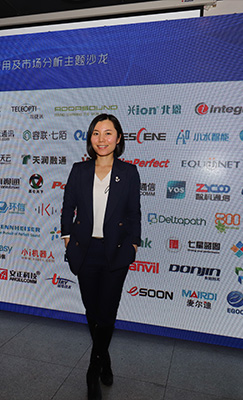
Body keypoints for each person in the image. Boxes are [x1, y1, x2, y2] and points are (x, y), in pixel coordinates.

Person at [61, 113, 141, 400]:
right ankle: (104, 359)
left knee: (107, 312)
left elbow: (133, 213)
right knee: (92, 311)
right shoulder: (79, 170)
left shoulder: (129, 172)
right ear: (90, 138)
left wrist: (133, 245)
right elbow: (67, 206)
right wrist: (67, 238)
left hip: (115, 252)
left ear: (118, 138)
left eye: (108, 133)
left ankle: (92, 371)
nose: (101, 139)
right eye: (96, 133)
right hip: (85, 250)